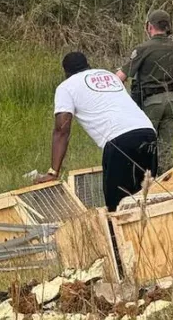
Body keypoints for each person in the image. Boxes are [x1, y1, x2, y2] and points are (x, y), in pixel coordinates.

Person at [36, 52, 157, 212]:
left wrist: (53, 172)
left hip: (119, 141)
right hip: (148, 133)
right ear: (88, 65)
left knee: (117, 206)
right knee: (146, 199)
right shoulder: (109, 76)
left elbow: (62, 130)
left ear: (66, 72)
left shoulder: (66, 87)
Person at [115, 9, 173, 175]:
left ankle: (144, 180)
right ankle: (166, 178)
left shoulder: (143, 48)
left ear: (149, 26)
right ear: (167, 26)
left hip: (151, 102)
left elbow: (120, 77)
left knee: (145, 144)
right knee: (166, 146)